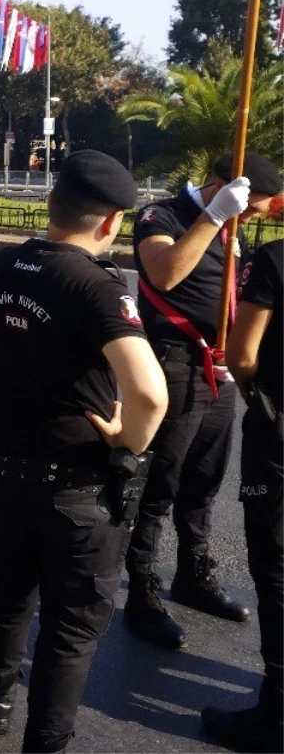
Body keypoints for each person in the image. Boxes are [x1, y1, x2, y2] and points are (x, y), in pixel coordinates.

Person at [0, 150, 168, 752]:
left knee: (5, 600)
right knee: (70, 630)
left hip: (4, 471)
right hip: (78, 485)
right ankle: (45, 743)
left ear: (50, 205)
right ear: (110, 224)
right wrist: (127, 442)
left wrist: (2, 427)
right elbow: (150, 395)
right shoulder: (99, 286)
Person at [124, 153, 280, 648]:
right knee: (158, 483)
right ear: (219, 187)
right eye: (248, 208)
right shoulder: (161, 216)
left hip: (220, 367)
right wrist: (214, 219)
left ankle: (193, 576)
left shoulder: (235, 227)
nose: (249, 217)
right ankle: (142, 591)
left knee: (203, 483)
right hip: (174, 362)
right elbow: (164, 275)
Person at [200, 238, 284, 751]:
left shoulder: (273, 259)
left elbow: (243, 355)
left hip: (279, 436)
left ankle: (276, 713)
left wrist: (257, 393)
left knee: (276, 569)